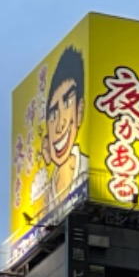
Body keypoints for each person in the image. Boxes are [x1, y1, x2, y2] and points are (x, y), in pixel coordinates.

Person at [41, 46, 89, 205]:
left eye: (68, 102)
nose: (60, 125)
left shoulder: (87, 169)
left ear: (79, 111)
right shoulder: (43, 198)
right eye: (53, 114)